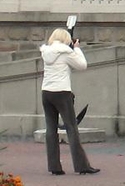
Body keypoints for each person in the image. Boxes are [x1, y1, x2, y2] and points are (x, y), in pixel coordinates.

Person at [40, 28, 100, 175]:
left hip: (46, 92)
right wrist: (77, 49)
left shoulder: (46, 52)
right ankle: (81, 165)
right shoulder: (65, 53)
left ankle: (54, 167)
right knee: (72, 128)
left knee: (51, 129)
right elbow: (82, 65)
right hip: (62, 92)